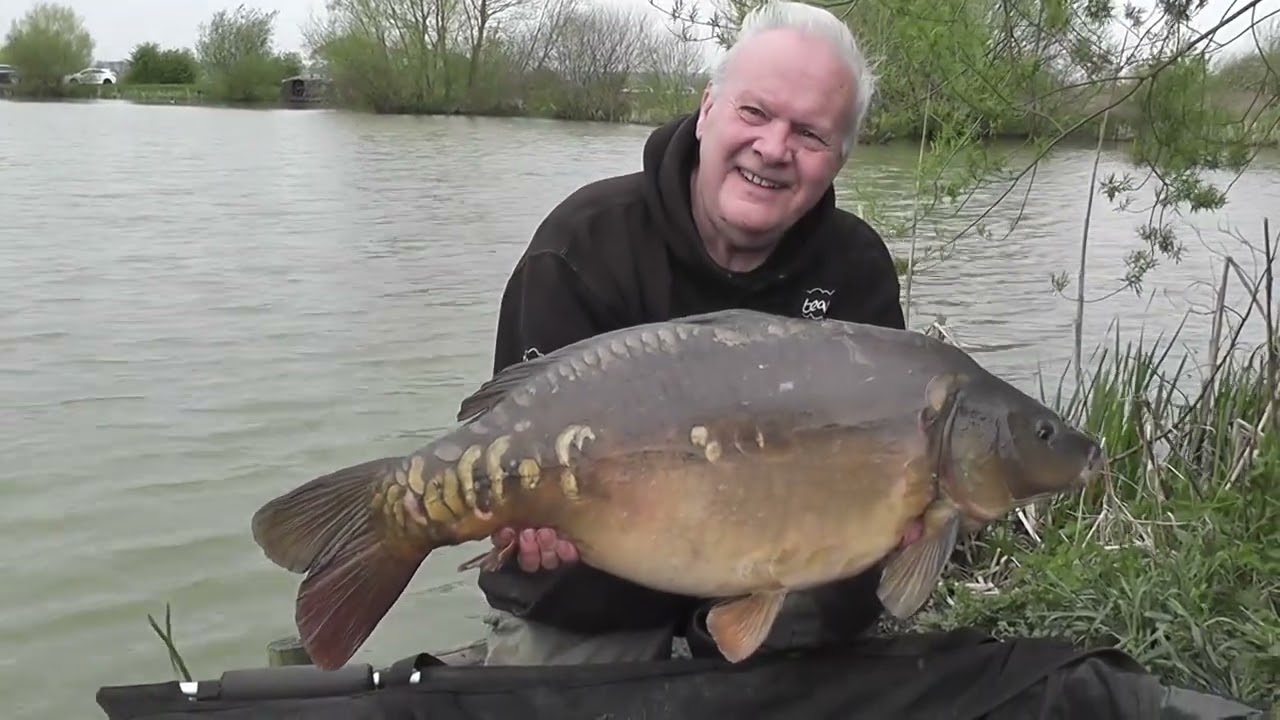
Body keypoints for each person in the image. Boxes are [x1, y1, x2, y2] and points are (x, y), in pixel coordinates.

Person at [468, 2, 1268, 717]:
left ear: (840, 157)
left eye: (810, 133)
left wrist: (911, 524)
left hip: (784, 582)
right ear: (708, 110)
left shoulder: (854, 268)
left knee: (837, 614)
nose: (774, 148)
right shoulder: (583, 245)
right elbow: (507, 434)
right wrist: (527, 528)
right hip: (591, 588)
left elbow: (892, 564)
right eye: (755, 112)